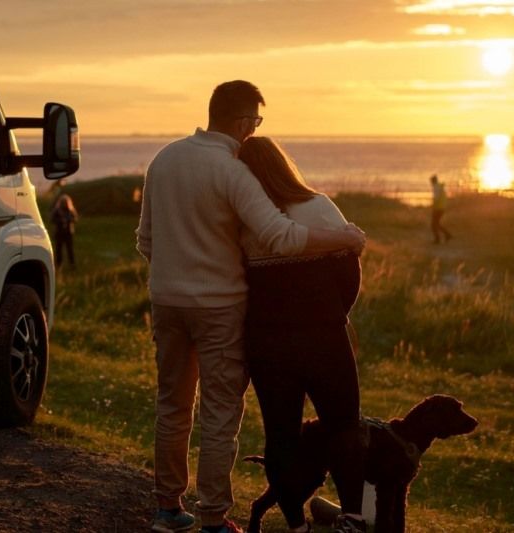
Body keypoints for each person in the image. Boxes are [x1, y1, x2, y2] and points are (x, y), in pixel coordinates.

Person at [136, 80, 366, 533]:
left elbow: (146, 241)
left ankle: (168, 508)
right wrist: (344, 237)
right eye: (256, 122)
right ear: (243, 122)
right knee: (221, 409)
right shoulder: (232, 171)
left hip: (166, 300)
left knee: (173, 404)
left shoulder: (163, 160)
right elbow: (280, 237)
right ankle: (213, 517)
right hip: (219, 305)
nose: (254, 130)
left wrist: (177, 272)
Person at [238, 137, 367, 533]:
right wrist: (331, 315)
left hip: (266, 342)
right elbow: (350, 277)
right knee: (344, 427)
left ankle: (296, 524)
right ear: (284, 165)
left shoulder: (244, 222)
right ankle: (354, 518)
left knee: (280, 435)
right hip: (324, 339)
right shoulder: (320, 207)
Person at [51, 193, 77, 267]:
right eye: (63, 202)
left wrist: (69, 220)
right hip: (59, 232)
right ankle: (59, 264)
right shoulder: (57, 210)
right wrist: (60, 221)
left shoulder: (71, 210)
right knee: (59, 249)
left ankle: (72, 264)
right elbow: (52, 219)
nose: (64, 203)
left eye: (65, 202)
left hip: (68, 232)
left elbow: (75, 219)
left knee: (70, 249)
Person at [429, 174, 452, 244]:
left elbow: (436, 198)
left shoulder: (436, 188)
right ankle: (447, 235)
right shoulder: (440, 187)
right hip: (441, 207)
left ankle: (438, 239)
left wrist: (433, 206)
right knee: (436, 224)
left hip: (438, 208)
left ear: (433, 181)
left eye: (431, 181)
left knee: (433, 224)